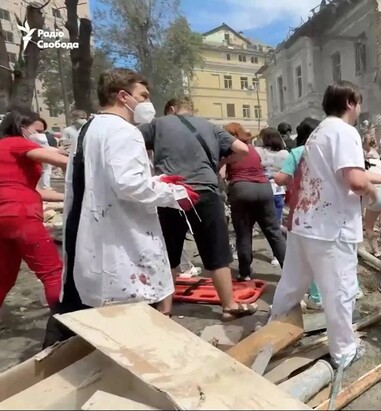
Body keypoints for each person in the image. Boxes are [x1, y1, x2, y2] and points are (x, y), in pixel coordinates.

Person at [45, 68, 200, 347]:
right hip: (120, 234)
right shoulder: (124, 131)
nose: (146, 103)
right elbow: (129, 184)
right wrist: (174, 193)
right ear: (122, 96)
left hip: (92, 229)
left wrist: (156, 180)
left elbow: (107, 177)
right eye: (143, 96)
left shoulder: (89, 129)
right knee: (130, 310)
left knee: (85, 302)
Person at [270, 81, 381, 369]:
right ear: (350, 102)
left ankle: (273, 335)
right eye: (359, 102)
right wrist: (372, 191)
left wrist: (376, 180)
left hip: (304, 223)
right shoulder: (345, 132)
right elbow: (353, 178)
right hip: (330, 228)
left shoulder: (318, 132)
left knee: (291, 286)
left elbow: (338, 174)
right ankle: (343, 352)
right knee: (339, 291)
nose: (360, 108)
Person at [140, 96, 252, 321]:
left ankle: (164, 310)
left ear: (171, 109)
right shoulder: (210, 127)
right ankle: (229, 306)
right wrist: (218, 164)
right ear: (191, 109)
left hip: (172, 193)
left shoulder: (159, 123)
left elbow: (131, 142)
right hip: (206, 192)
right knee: (217, 251)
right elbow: (242, 150)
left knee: (168, 252)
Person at [0, 107, 68, 310]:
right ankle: (62, 324)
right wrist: (77, 158)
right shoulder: (16, 142)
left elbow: (36, 190)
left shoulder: (4, 148)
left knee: (4, 277)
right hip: (21, 216)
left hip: (6, 217)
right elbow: (59, 160)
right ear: (22, 128)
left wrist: (68, 197)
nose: (41, 136)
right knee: (53, 273)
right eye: (37, 131)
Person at [223, 123, 287, 278]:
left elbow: (221, 174)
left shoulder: (227, 150)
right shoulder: (251, 149)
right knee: (273, 231)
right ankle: (290, 272)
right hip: (264, 188)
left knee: (244, 232)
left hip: (241, 189)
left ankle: (245, 272)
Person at [273, 117, 323, 310]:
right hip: (325, 210)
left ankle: (310, 297)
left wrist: (275, 174)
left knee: (301, 257)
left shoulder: (297, 152)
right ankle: (321, 296)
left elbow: (281, 179)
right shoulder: (327, 151)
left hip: (302, 211)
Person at [256, 127, 290, 224]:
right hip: (279, 189)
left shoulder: (258, 151)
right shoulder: (285, 154)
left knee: (264, 222)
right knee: (276, 222)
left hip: (262, 188)